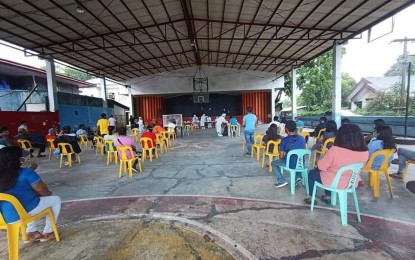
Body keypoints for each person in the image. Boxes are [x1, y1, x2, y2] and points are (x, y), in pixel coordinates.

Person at [0, 146, 61, 242]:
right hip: (22, 214)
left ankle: (32, 231)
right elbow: (44, 191)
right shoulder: (26, 173)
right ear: (18, 159)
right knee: (55, 199)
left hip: (5, 218)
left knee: (27, 201)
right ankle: (49, 231)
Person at [304, 124, 369, 205]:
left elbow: (321, 166)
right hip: (351, 182)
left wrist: (319, 161)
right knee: (330, 172)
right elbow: (362, 167)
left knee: (313, 173)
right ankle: (328, 197)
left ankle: (311, 198)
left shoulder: (335, 150)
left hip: (334, 180)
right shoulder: (365, 152)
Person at [271, 120, 306, 188]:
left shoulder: (284, 140)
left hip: (291, 163)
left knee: (273, 163)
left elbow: (281, 156)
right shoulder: (302, 138)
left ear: (286, 129)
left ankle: (281, 181)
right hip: (301, 162)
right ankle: (298, 176)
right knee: (296, 159)